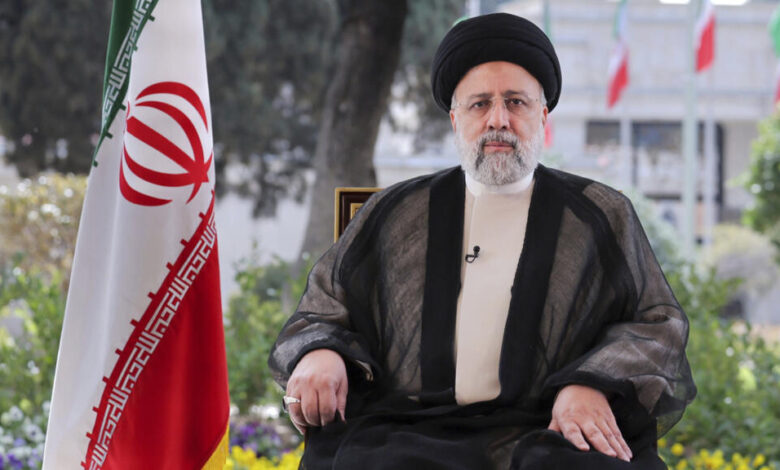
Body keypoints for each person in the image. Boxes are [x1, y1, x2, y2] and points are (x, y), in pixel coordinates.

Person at [269, 13, 695, 470]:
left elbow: (656, 324)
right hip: (411, 426)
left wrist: (591, 382)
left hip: (550, 430)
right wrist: (322, 351)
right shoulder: (395, 213)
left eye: (516, 102)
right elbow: (325, 308)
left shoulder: (598, 214)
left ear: (542, 116)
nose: (498, 120)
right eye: (480, 104)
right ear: (455, 119)